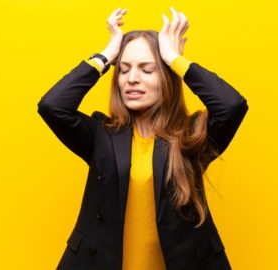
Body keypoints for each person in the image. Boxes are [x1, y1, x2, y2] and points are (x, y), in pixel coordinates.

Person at [38, 7, 248, 270]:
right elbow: (52, 106)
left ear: (166, 78)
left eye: (147, 70)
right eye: (124, 70)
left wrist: (175, 60)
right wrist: (105, 57)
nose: (132, 79)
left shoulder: (191, 137)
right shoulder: (101, 135)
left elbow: (231, 106)